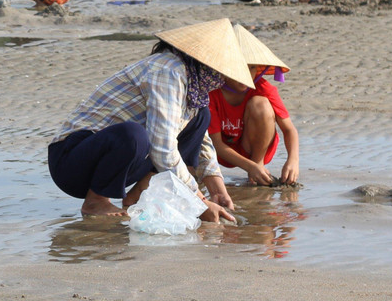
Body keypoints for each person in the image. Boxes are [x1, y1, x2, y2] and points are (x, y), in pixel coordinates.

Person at [47, 19, 250, 220]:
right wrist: (199, 202)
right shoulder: (168, 71)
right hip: (70, 161)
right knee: (133, 135)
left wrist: (217, 188)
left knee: (201, 117)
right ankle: (95, 201)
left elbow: (201, 140)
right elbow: (163, 148)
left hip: (111, 165)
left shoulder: (194, 85)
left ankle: (137, 195)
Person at [209, 25, 300, 186]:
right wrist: (248, 166)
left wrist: (293, 160)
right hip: (222, 152)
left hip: (254, 146)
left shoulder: (263, 87)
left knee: (261, 105)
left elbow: (289, 129)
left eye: (252, 68)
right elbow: (217, 145)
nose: (246, 75)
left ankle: (258, 165)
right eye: (240, 67)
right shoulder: (212, 93)